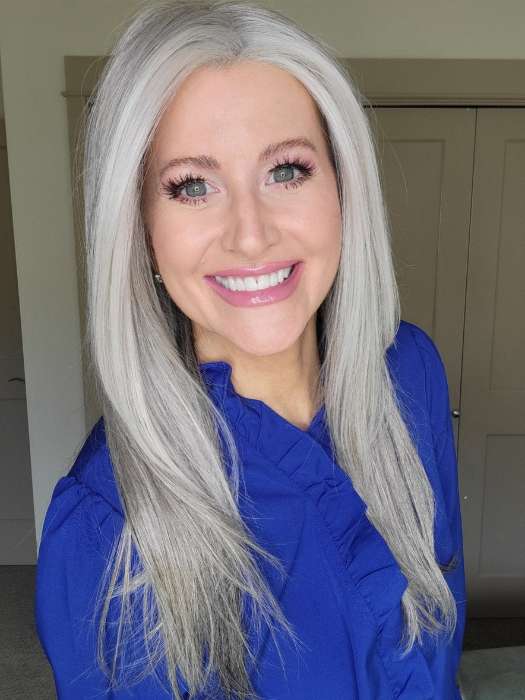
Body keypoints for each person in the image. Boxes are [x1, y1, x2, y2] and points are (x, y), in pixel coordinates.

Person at [34, 1, 467, 698]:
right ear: (141, 228)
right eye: (191, 186)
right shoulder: (107, 527)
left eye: (286, 171)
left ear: (343, 187)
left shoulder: (410, 375)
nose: (250, 233)